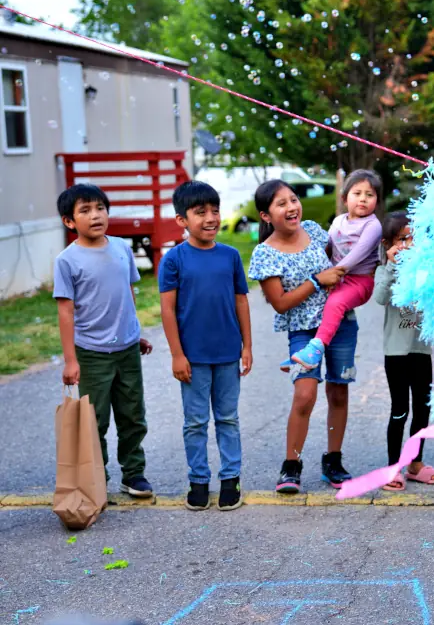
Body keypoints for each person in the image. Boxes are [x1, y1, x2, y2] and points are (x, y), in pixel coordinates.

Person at [248, 180, 358, 493]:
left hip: (340, 324)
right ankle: (291, 464)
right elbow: (280, 303)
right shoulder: (264, 254)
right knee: (305, 394)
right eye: (281, 204)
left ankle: (333, 460)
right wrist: (316, 281)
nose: (291, 207)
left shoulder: (314, 230)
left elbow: (337, 262)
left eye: (293, 200)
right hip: (303, 331)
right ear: (266, 215)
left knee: (339, 392)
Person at [53, 184, 154, 498]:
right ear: (70, 221)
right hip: (92, 353)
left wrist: (135, 333)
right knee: (94, 420)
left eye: (100, 208)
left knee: (133, 415)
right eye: (85, 210)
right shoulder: (67, 260)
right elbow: (66, 312)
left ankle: (134, 475)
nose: (95, 215)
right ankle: (95, 479)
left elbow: (127, 293)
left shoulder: (122, 248)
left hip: (126, 348)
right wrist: (71, 360)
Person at [159, 181, 253, 512]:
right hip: (193, 359)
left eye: (215, 211)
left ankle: (231, 480)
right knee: (195, 422)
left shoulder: (229, 256)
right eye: (201, 213)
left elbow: (241, 301)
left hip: (227, 354)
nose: (211, 218)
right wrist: (176, 354)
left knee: (228, 418)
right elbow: (167, 309)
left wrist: (247, 346)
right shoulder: (174, 259)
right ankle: (198, 480)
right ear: (182, 220)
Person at [373, 211, 434, 491]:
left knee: (423, 409)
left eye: (414, 238)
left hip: (420, 351)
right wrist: (391, 267)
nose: (410, 245)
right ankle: (393, 467)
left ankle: (415, 464)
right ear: (388, 244)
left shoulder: (425, 271)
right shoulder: (384, 272)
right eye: (403, 239)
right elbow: (380, 298)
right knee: (400, 409)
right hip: (396, 353)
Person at [288, 170, 382, 370]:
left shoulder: (373, 226)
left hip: (359, 280)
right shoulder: (339, 221)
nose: (363, 199)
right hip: (336, 274)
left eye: (370, 195)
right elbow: (327, 247)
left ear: (377, 200)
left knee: (335, 303)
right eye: (357, 193)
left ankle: (315, 349)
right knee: (312, 299)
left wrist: (334, 275)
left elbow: (358, 254)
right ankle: (302, 353)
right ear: (344, 198)